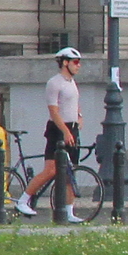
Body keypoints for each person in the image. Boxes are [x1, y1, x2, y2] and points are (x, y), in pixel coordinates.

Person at [21, 48, 89, 223]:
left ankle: (69, 212)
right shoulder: (54, 83)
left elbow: (75, 102)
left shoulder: (72, 82)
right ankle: (24, 199)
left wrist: (79, 117)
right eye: (75, 62)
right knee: (51, 169)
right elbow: (54, 111)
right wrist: (65, 132)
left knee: (70, 171)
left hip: (72, 128)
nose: (78, 65)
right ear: (65, 62)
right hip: (58, 129)